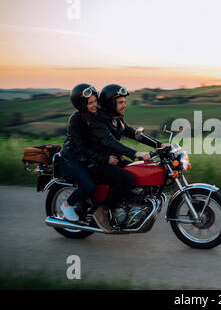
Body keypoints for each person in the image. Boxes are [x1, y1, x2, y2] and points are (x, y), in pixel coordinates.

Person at [86, 84, 160, 232]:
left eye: (124, 102)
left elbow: (134, 134)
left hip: (112, 159)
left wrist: (159, 145)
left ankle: (127, 206)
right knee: (127, 179)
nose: (124, 105)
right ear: (109, 103)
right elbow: (109, 141)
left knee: (137, 172)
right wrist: (135, 153)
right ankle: (103, 210)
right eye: (120, 102)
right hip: (95, 162)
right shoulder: (98, 120)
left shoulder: (116, 119)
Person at [58, 83, 117, 221]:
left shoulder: (96, 116)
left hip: (88, 158)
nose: (95, 104)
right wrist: (105, 158)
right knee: (89, 186)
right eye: (90, 103)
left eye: (95, 100)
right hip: (72, 159)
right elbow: (82, 148)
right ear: (81, 105)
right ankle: (67, 205)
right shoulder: (75, 120)